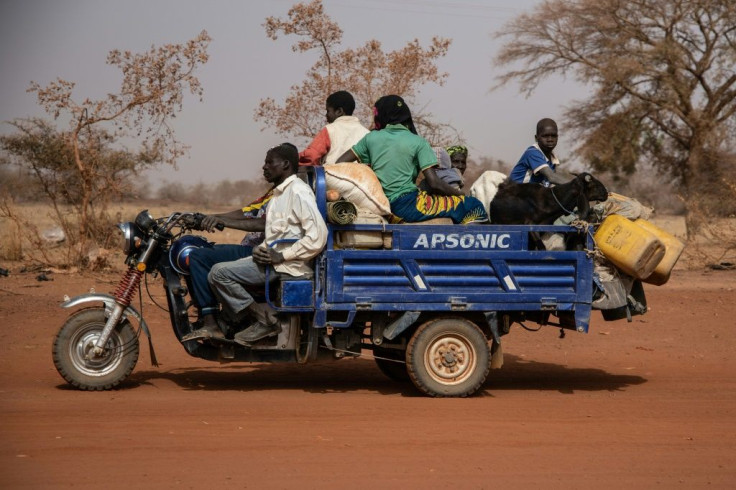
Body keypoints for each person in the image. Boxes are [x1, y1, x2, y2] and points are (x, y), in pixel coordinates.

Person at [198, 143, 328, 345]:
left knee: (218, 273)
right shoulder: (278, 195)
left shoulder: (298, 192)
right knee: (219, 269)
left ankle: (264, 320)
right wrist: (263, 250)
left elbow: (318, 235)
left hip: (286, 265)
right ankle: (239, 320)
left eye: (269, 162)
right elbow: (275, 230)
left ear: (285, 164)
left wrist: (282, 255)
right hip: (272, 260)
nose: (264, 167)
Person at [335, 94, 487, 224]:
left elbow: (340, 163)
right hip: (408, 205)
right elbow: (434, 183)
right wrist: (460, 195)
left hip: (384, 204)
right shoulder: (418, 142)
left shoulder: (371, 138)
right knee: (474, 206)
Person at [183, 190, 273, 338]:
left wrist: (222, 222)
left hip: (259, 252)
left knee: (199, 256)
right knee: (202, 251)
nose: (265, 167)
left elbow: (264, 223)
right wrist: (208, 218)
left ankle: (211, 323)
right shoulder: (272, 194)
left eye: (269, 164)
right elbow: (246, 212)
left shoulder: (286, 194)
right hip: (250, 248)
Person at [299, 90, 369, 166]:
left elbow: (312, 156)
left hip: (332, 176)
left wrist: (293, 158)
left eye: (328, 111)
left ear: (339, 111)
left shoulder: (329, 130)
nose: (326, 115)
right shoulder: (367, 133)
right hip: (362, 176)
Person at [509, 118, 575, 186]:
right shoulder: (532, 153)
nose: (550, 139)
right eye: (545, 136)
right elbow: (552, 177)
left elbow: (557, 178)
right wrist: (577, 185)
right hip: (514, 194)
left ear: (557, 137)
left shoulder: (552, 157)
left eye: (553, 136)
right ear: (536, 138)